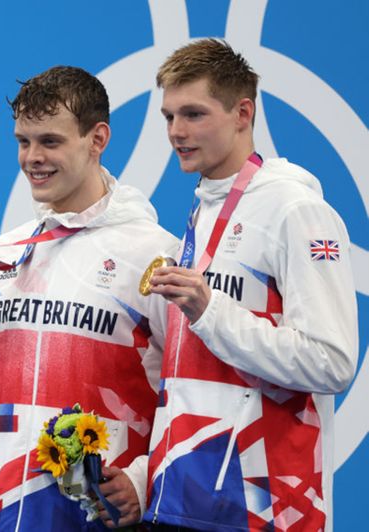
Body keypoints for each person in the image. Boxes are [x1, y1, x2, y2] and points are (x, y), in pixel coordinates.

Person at [0, 66, 179, 530]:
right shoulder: (8, 252)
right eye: (23, 141)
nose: (32, 158)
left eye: (50, 141)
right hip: (1, 511)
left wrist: (143, 476)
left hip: (102, 516)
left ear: (98, 138)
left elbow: (187, 393)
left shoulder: (154, 255)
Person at [144, 38, 358, 531]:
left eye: (194, 114)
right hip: (182, 500)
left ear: (243, 112)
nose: (176, 132)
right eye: (169, 116)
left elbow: (331, 361)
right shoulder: (202, 211)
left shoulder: (295, 209)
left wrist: (210, 310)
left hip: (263, 506)